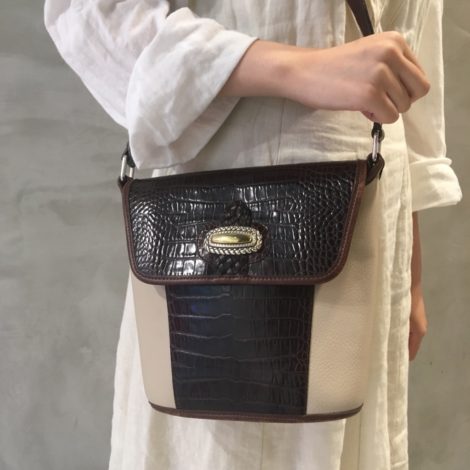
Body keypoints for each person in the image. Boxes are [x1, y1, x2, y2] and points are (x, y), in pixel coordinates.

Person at [43, 1, 462, 469]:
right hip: (212, 211)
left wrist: (411, 274)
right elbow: (93, 16)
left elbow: (408, 67)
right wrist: (301, 68)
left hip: (368, 220)